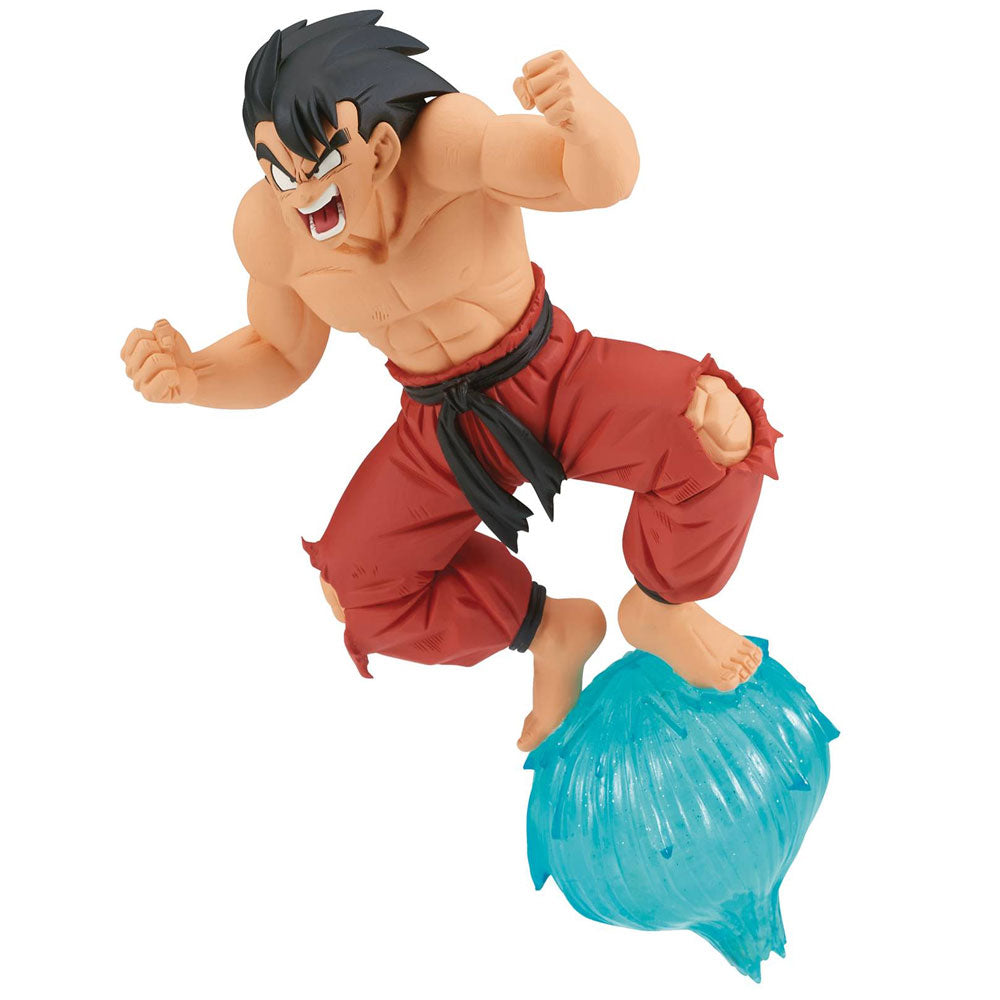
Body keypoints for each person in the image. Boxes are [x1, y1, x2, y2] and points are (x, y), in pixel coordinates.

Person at [121, 13, 779, 751]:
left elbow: (594, 179)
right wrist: (195, 376)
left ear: (380, 147)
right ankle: (552, 632)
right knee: (358, 591)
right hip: (441, 427)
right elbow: (280, 351)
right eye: (279, 170)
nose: (301, 194)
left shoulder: (450, 144)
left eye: (320, 161)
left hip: (552, 374)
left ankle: (662, 606)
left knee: (717, 427)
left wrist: (585, 119)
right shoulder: (272, 231)